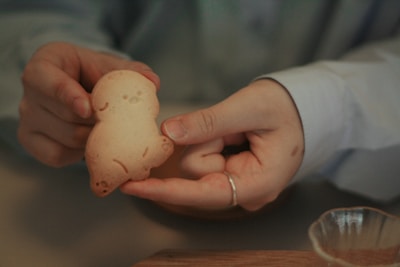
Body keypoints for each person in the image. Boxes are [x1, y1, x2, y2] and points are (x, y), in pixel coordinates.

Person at [0, 0, 399, 211]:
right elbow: (33, 11)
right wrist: (54, 68)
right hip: (84, 203)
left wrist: (323, 109)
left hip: (339, 201)